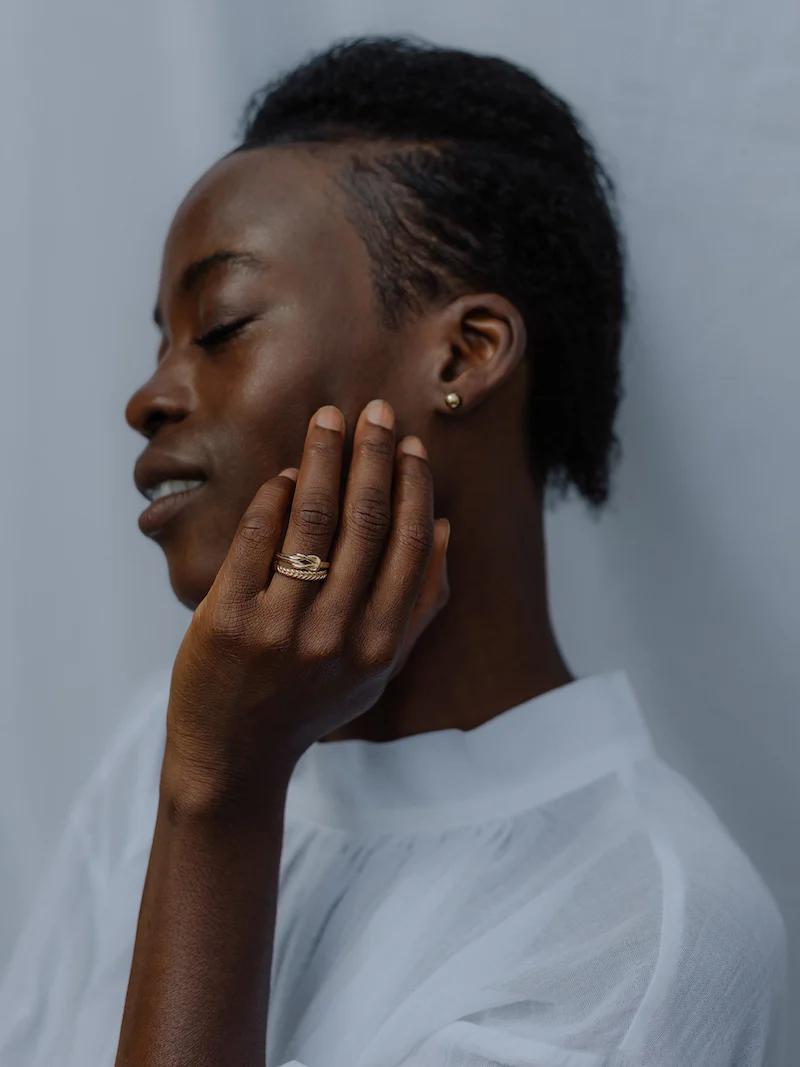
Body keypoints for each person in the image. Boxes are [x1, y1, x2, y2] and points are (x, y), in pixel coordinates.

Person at [0, 33, 787, 1067]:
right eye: (160, 341)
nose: (149, 396)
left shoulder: (644, 921)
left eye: (222, 324)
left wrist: (220, 804)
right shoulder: (161, 740)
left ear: (462, 356)